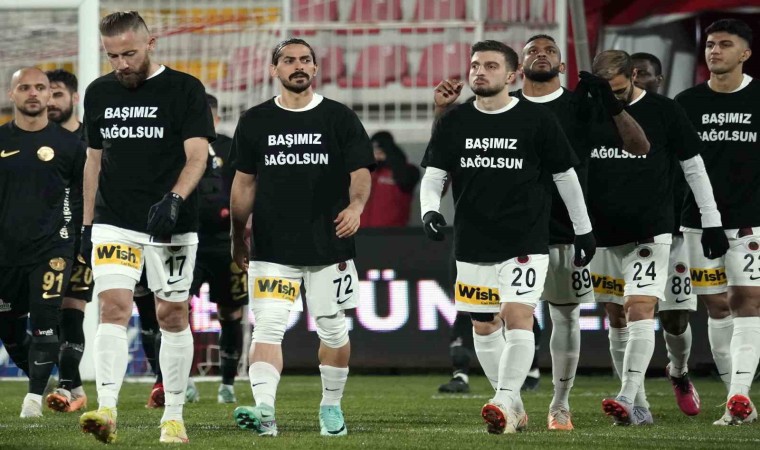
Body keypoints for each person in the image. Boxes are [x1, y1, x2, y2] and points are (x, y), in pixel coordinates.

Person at [421, 40, 596, 435]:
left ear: (512, 75)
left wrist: (583, 228)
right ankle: (513, 407)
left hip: (525, 240)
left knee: (518, 316)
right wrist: (429, 210)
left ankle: (501, 399)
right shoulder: (455, 120)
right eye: (475, 65)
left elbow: (565, 176)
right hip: (473, 240)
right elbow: (434, 173)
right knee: (483, 324)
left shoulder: (536, 119)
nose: (480, 72)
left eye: (491, 66)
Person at [77, 11, 214, 444]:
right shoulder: (99, 92)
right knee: (113, 307)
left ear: (151, 43)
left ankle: (173, 416)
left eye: (129, 54)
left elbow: (198, 155)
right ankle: (107, 409)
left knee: (171, 314)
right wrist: (87, 223)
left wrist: (175, 199)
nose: (121, 64)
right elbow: (93, 160)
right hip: (115, 221)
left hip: (171, 222)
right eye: (113, 56)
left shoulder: (185, 88)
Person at [229, 38, 374, 438]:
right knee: (267, 327)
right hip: (273, 247)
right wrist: (237, 236)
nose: (298, 66)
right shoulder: (255, 120)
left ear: (315, 68)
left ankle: (331, 407)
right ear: (274, 69)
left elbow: (360, 172)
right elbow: (244, 183)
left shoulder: (338, 117)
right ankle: (264, 411)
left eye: (305, 60)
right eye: (289, 60)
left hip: (330, 243)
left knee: (333, 328)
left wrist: (356, 207)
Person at [585, 50, 728, 426]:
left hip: (657, 228)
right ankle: (638, 406)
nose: (614, 98)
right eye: (607, 91)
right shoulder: (586, 109)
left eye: (619, 90)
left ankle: (670, 375)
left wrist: (711, 220)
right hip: (603, 233)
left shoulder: (665, 110)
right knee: (617, 314)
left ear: (633, 76)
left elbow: (694, 167)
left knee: (665, 316)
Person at [675, 18, 760, 425]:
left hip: (751, 221)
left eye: (725, 44)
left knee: (749, 302)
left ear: (745, 53)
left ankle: (738, 394)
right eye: (710, 44)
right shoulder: (687, 102)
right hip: (697, 222)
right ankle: (736, 401)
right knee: (717, 307)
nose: (714, 51)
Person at [0, 67, 86, 418]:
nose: (33, 93)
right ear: (12, 94)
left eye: (40, 87)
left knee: (46, 321)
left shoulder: (70, 144)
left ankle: (33, 400)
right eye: (24, 87)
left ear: (49, 95)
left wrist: (82, 238)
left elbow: (82, 195)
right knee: (9, 329)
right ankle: (57, 384)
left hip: (53, 247)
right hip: (6, 251)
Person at [630, 52, 701, 417]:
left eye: (644, 73)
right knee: (627, 314)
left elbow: (693, 170)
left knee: (675, 318)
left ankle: (679, 371)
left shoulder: (672, 116)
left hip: (671, 232)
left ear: (659, 80)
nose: (636, 78)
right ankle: (634, 396)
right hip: (625, 234)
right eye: (631, 72)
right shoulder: (609, 118)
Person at [189, 93, 246, 403]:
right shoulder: (181, 147)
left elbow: (245, 187)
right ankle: (182, 381)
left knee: (231, 311)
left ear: (218, 118)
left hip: (227, 242)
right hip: (188, 241)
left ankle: (227, 384)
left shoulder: (230, 147)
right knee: (176, 309)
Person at [42, 69, 90, 414]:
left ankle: (66, 385)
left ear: (74, 98)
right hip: (42, 238)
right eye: (48, 94)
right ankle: (74, 385)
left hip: (84, 236)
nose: (51, 101)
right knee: (46, 316)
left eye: (57, 94)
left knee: (72, 312)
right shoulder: (35, 140)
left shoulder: (93, 138)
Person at [360, 131, 420, 227]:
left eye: (380, 150)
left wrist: (391, 158)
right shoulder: (365, 172)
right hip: (361, 232)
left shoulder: (407, 170)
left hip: (392, 232)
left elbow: (407, 180)